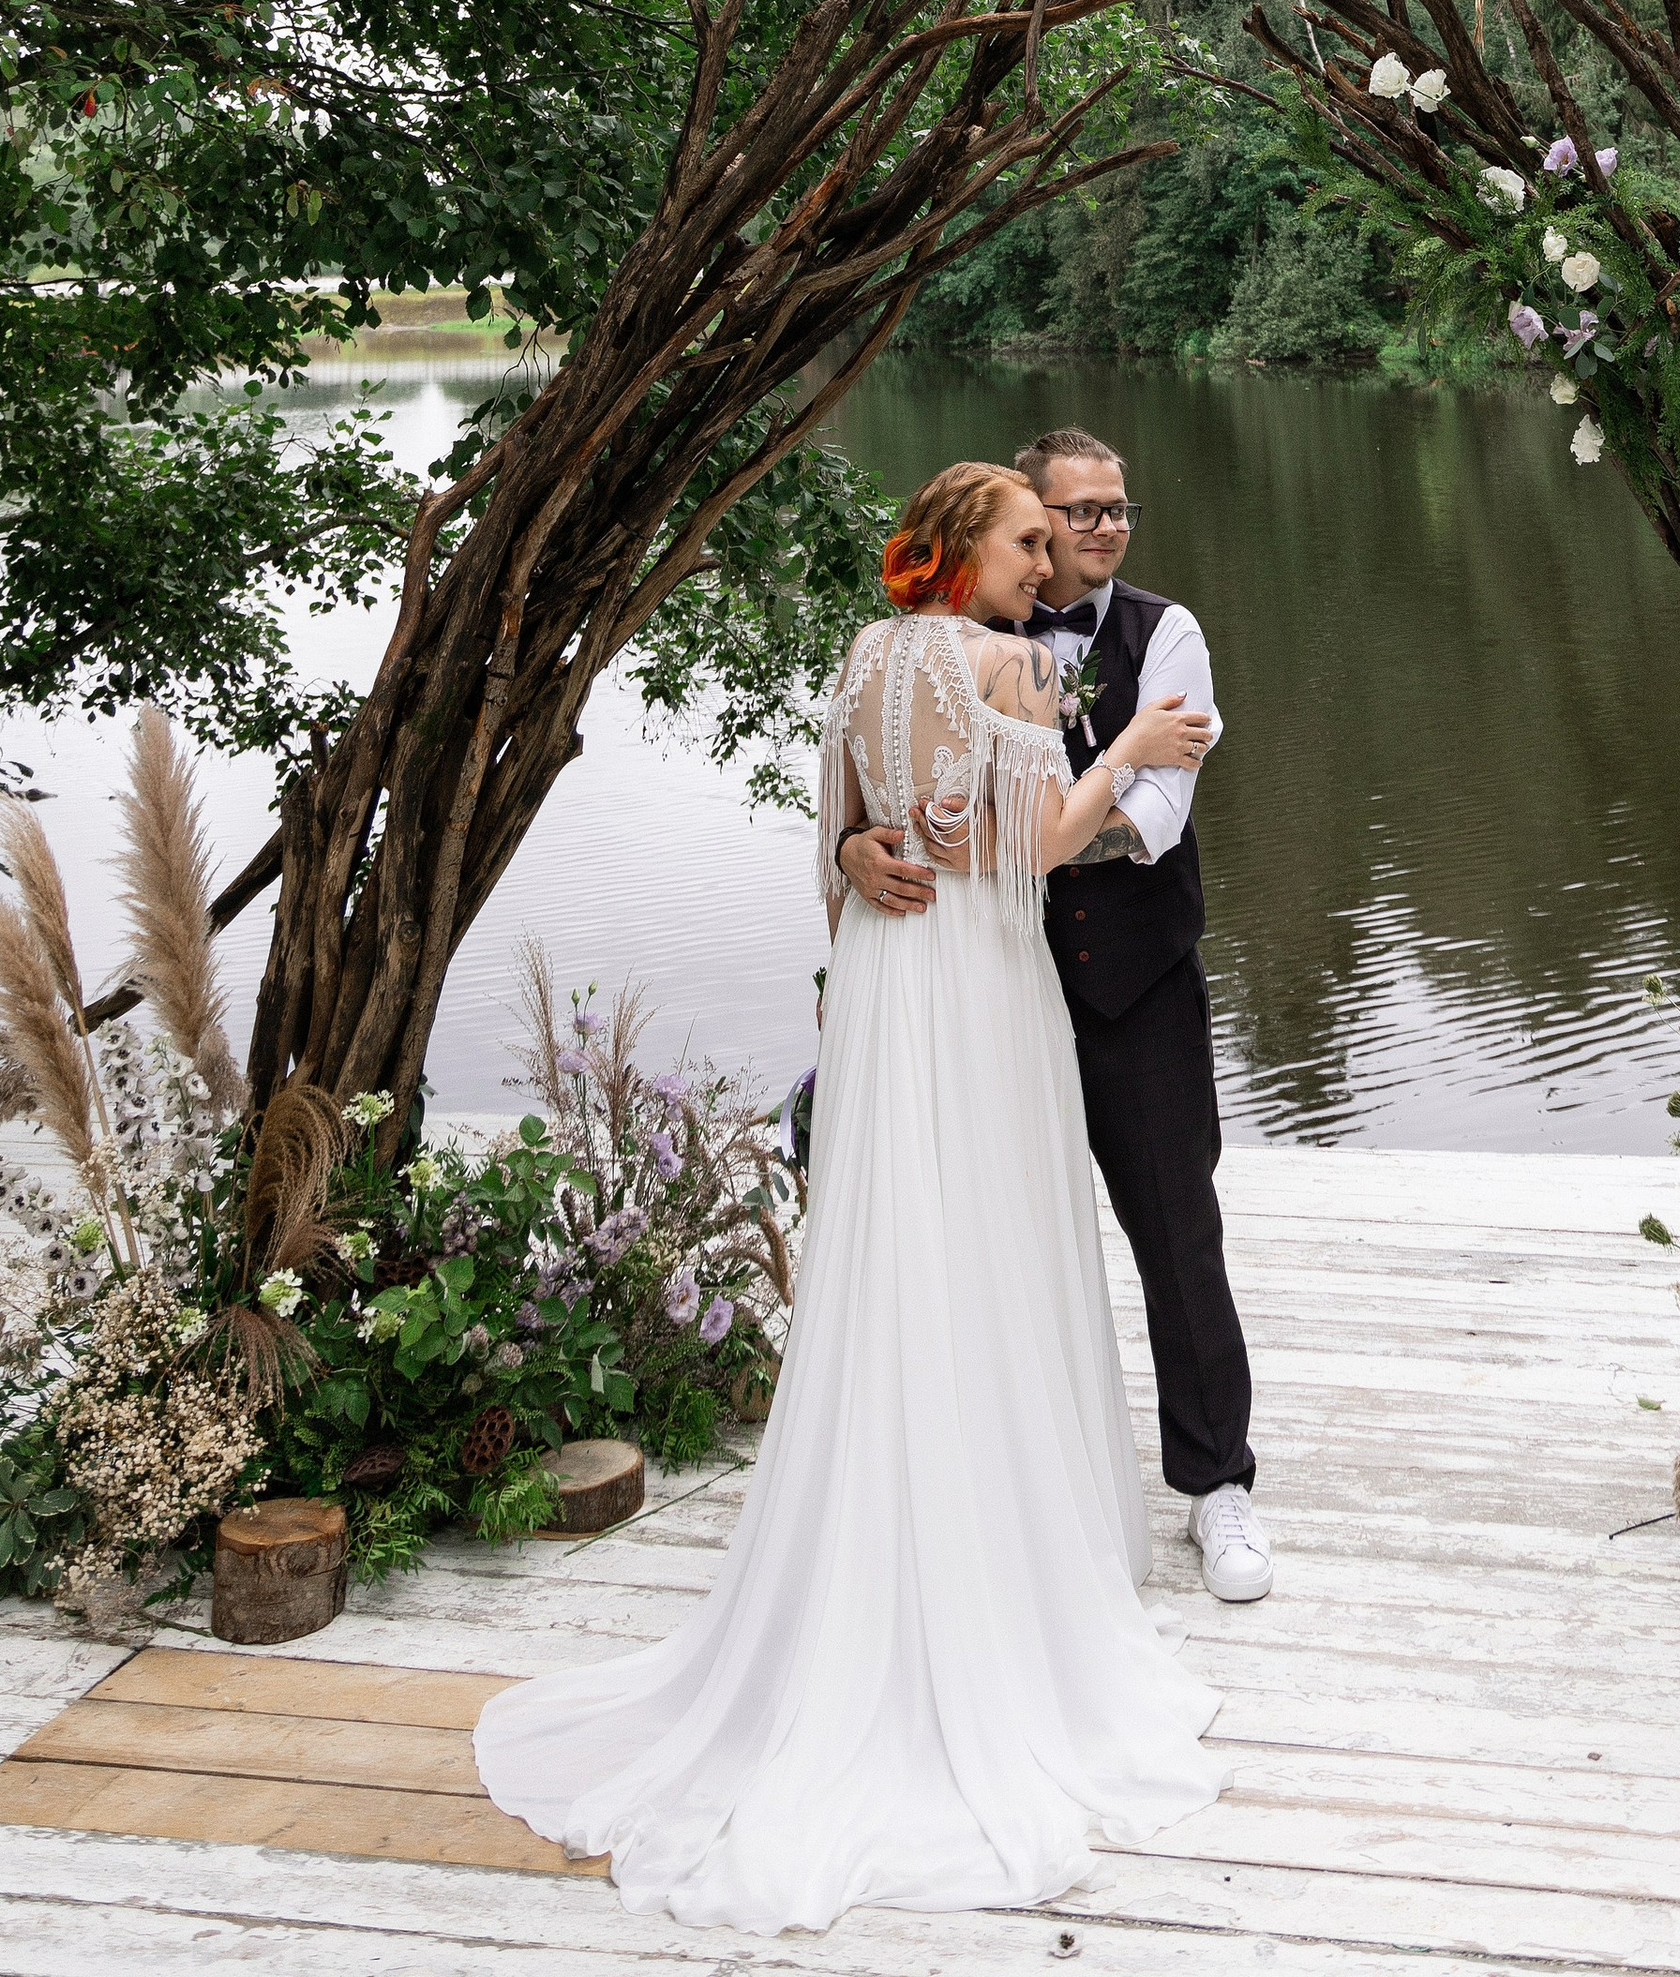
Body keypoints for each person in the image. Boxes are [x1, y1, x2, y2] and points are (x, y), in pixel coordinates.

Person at [473, 462, 1225, 1932]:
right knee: (993, 1240)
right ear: (964, 551)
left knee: (897, 1239)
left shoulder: (866, 654)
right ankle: (1001, 1558)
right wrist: (1130, 741)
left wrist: (855, 852)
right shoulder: (1012, 663)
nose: (1044, 565)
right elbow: (1031, 844)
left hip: (886, 975)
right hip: (978, 971)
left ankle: (892, 1528)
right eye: (1025, 542)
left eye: (1055, 541)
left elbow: (849, 827)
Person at [850, 426, 1267, 1603]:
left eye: (1117, 509)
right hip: (997, 987)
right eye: (1075, 513)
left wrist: (981, 840)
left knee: (1176, 1235)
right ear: (1023, 521)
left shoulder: (1166, 635)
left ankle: (1216, 1486)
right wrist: (856, 844)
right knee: (996, 1239)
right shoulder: (953, 639)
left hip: (1135, 986)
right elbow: (889, 782)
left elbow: (1153, 818)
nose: (1101, 530)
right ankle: (1010, 1492)